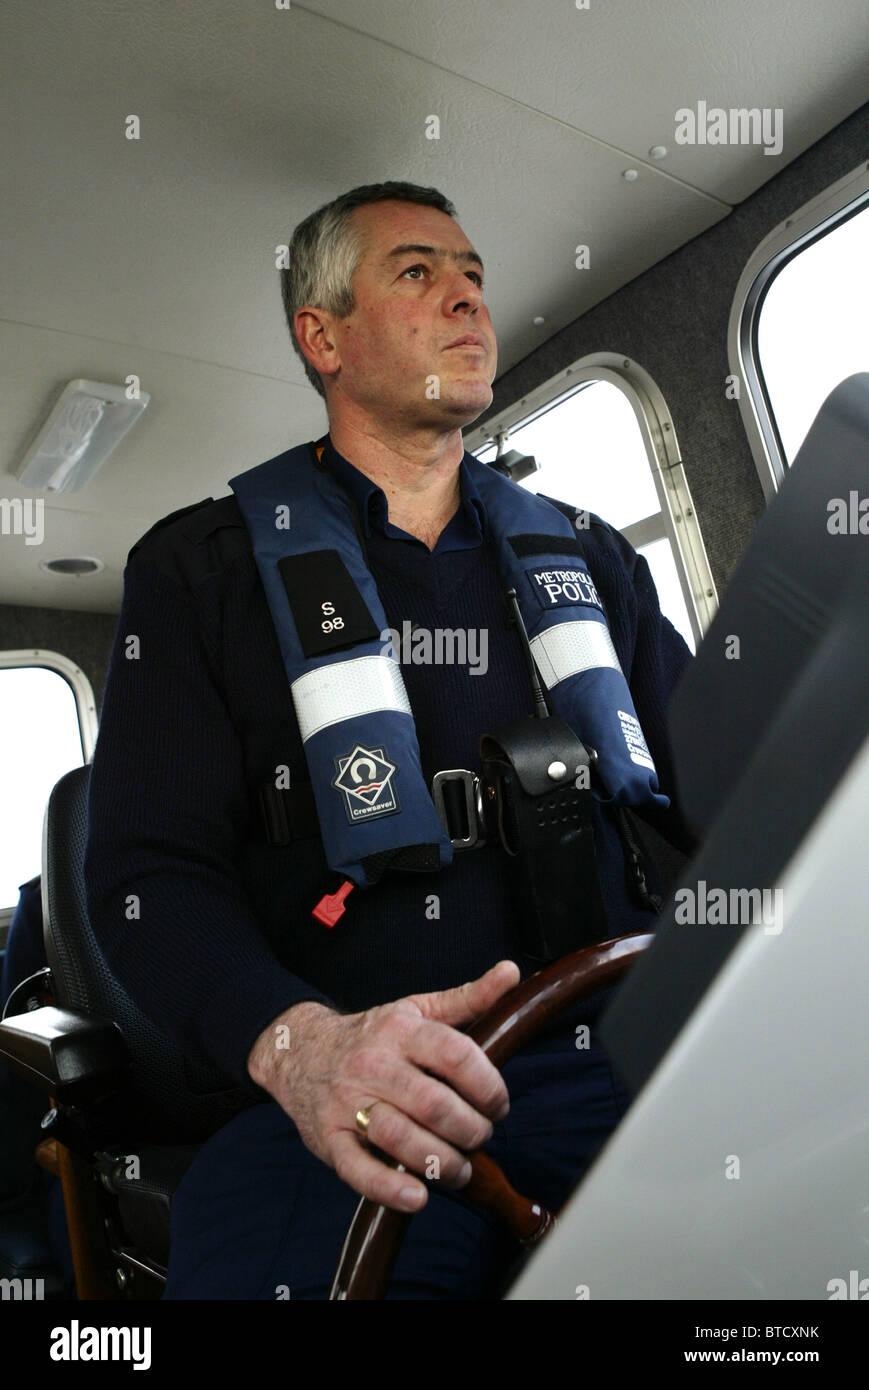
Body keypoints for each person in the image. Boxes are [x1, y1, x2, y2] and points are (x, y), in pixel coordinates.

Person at [84, 181, 695, 1300]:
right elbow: (143, 878)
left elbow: (725, 793)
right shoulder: (196, 572)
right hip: (347, 1096)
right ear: (321, 336)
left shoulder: (594, 559)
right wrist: (297, 1046)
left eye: (472, 273)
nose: (466, 294)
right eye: (416, 271)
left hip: (619, 1048)